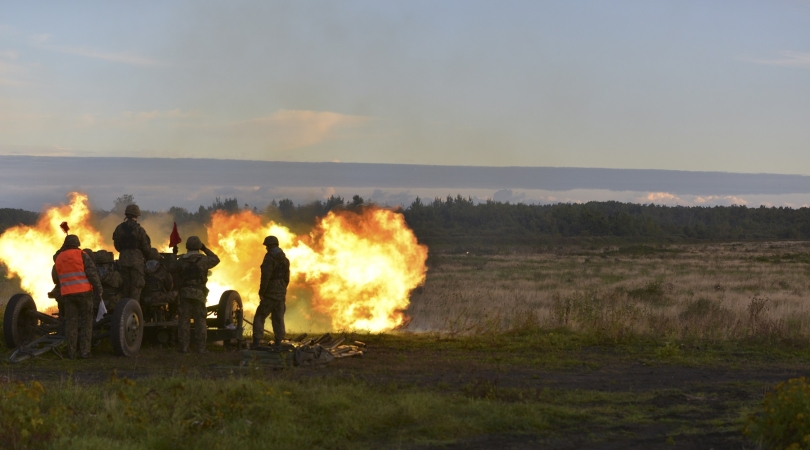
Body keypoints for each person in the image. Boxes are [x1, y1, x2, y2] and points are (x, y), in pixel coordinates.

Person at [53, 235, 103, 359]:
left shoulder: (59, 258)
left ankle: (71, 353)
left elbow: (55, 277)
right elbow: (92, 274)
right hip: (84, 294)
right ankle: (85, 352)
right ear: (77, 244)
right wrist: (99, 289)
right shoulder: (82, 255)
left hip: (68, 295)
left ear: (65, 244)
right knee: (86, 322)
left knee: (71, 323)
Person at [170, 236, 219, 353]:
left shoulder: (182, 261)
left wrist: (174, 254)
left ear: (187, 247)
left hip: (185, 294)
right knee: (200, 321)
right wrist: (205, 248)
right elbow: (216, 259)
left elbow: (171, 268)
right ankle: (201, 349)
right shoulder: (204, 260)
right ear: (198, 247)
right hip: (199, 294)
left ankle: (183, 348)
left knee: (183, 321)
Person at [253, 235, 290, 348]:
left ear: (269, 246)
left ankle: (257, 342)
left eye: (267, 246)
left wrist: (262, 292)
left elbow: (266, 277)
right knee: (278, 317)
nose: (266, 248)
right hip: (281, 293)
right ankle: (278, 342)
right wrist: (282, 289)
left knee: (260, 316)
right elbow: (287, 278)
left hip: (270, 293)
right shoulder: (285, 260)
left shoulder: (269, 258)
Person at [112, 204, 151, 301]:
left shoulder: (119, 229)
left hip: (123, 261)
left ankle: (124, 311)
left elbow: (117, 246)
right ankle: (134, 310)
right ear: (137, 216)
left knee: (124, 288)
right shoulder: (140, 230)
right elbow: (146, 248)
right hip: (137, 263)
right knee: (136, 288)